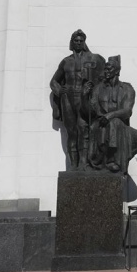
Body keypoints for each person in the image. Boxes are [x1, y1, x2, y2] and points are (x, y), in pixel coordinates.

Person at [50, 29, 105, 170]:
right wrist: (59, 90)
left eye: (81, 41)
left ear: (84, 42)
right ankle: (73, 165)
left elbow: (102, 77)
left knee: (83, 128)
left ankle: (83, 163)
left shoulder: (93, 59)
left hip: (83, 96)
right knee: (72, 132)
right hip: (68, 97)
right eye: (76, 41)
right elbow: (54, 81)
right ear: (72, 43)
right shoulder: (66, 62)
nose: (79, 43)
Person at [84, 55, 137, 174]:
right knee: (114, 123)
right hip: (100, 125)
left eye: (109, 69)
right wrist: (84, 97)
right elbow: (90, 111)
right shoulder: (98, 89)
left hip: (121, 127)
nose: (106, 71)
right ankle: (111, 160)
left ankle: (121, 157)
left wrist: (110, 115)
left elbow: (127, 111)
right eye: (105, 69)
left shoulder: (127, 88)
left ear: (117, 71)